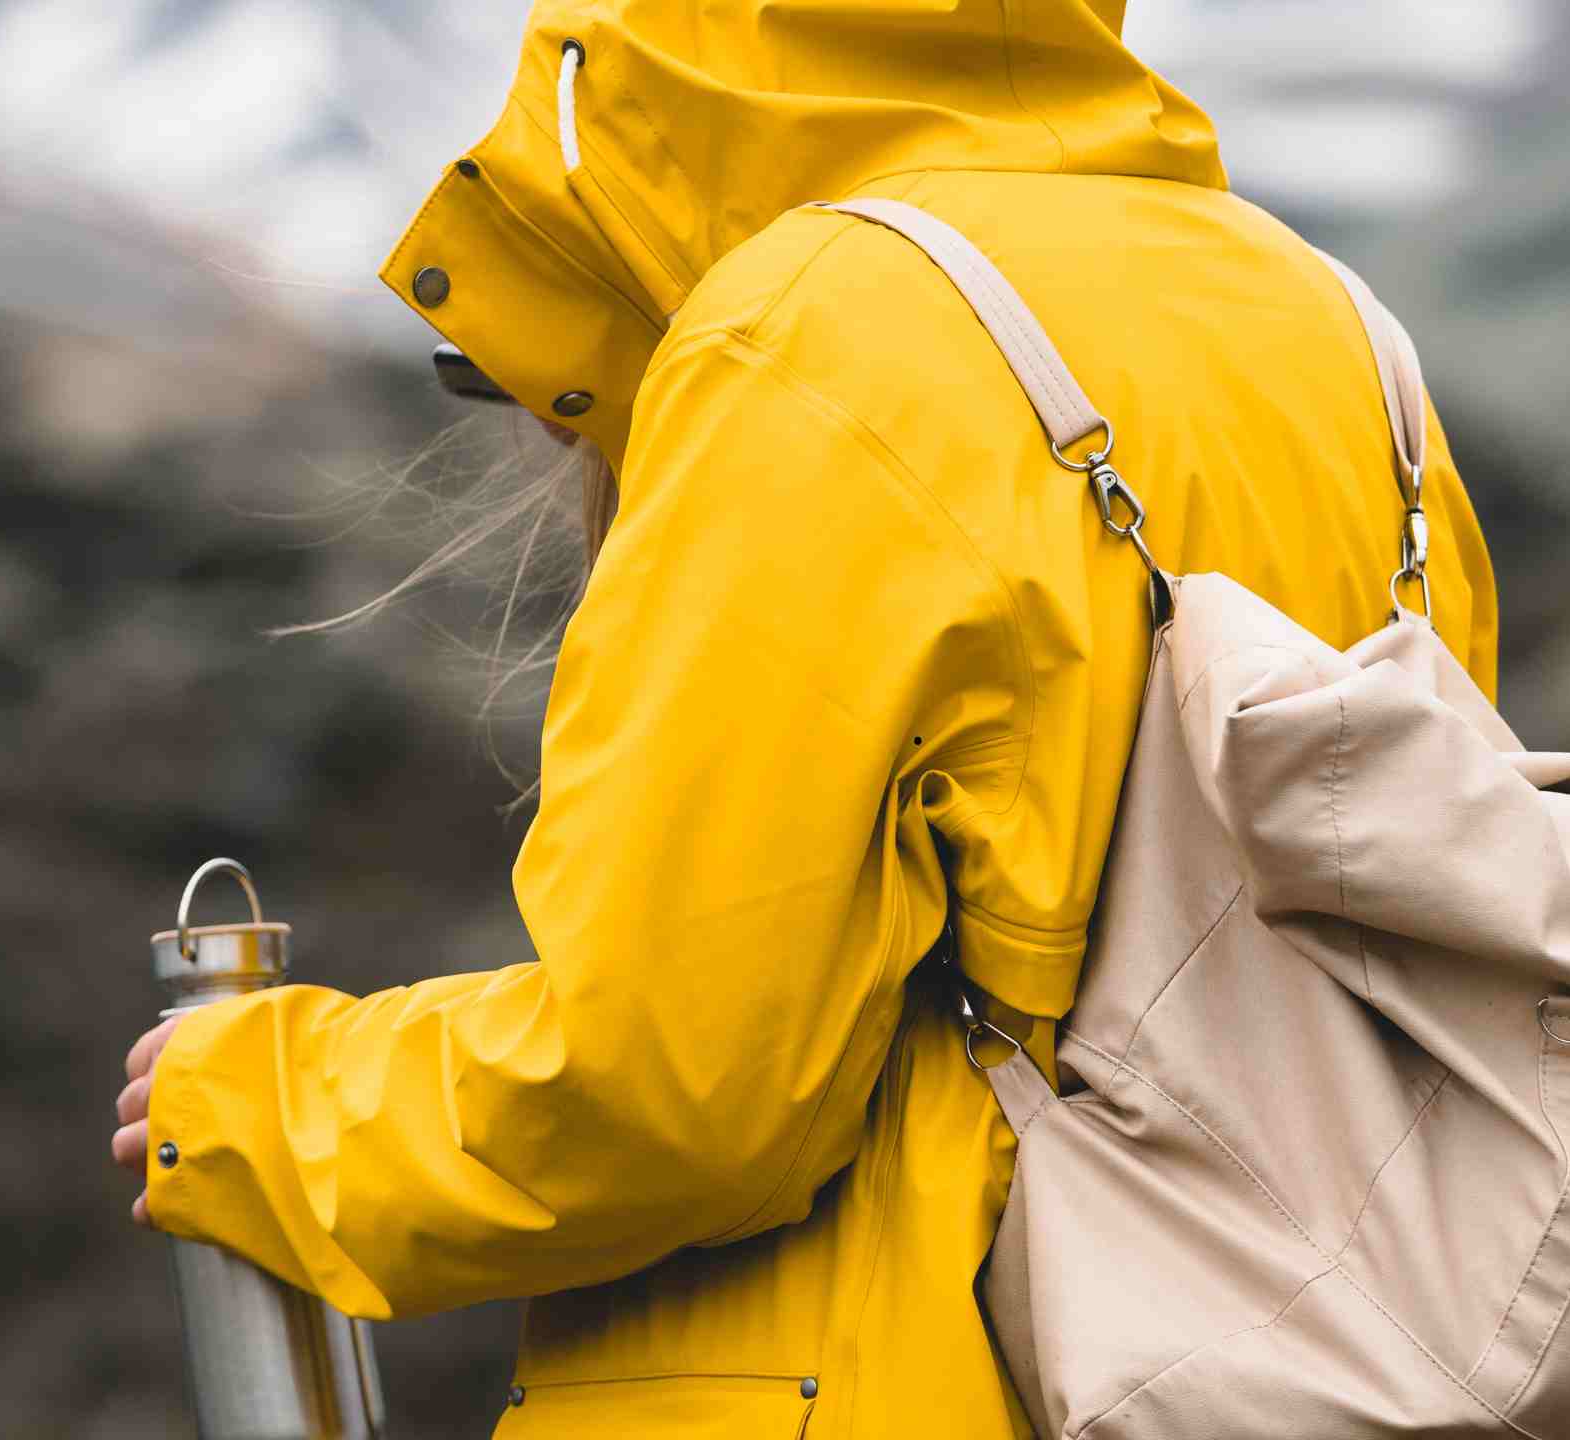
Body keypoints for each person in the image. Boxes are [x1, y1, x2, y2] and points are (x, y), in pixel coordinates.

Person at [109, 1, 1498, 1432]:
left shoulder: (814, 329)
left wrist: (266, 1106)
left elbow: (667, 1086)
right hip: (1336, 1364)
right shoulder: (1327, 323)